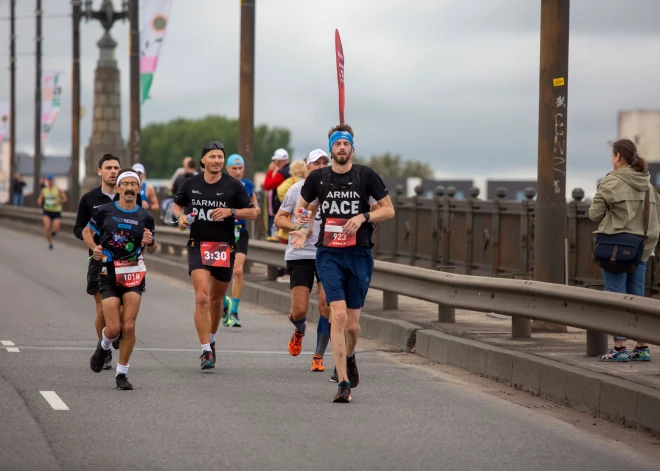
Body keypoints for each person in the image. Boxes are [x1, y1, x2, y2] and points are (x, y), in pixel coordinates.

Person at [294, 124, 395, 403]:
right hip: (329, 253)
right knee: (336, 315)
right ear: (330, 148)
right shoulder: (318, 178)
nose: (341, 148)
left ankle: (350, 356)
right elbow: (304, 208)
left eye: (345, 144)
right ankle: (342, 382)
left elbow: (388, 209)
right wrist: (302, 224)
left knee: (352, 325)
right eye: (337, 143)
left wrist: (363, 217)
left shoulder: (366, 175)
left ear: (352, 148)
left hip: (358, 254)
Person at [171, 141, 257, 370]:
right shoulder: (191, 183)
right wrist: (180, 218)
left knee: (216, 301)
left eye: (220, 157)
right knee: (201, 297)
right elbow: (177, 206)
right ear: (203, 161)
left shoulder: (234, 185)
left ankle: (212, 338)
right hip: (198, 244)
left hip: (223, 247)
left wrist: (232, 211)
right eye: (212, 157)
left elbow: (253, 212)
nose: (217, 161)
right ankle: (205, 350)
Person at [84, 168, 158, 390]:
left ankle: (122, 373)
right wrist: (94, 248)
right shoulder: (105, 211)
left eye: (132, 184)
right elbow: (88, 232)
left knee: (129, 325)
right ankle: (104, 345)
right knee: (114, 328)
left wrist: (151, 241)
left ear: (138, 188)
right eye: (124, 184)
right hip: (108, 274)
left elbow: (153, 248)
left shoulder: (145, 216)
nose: (128, 188)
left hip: (134, 273)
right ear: (117, 188)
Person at [589, 139, 660, 362]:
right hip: (642, 248)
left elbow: (594, 214)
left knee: (616, 295)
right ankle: (641, 346)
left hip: (616, 248)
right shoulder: (648, 185)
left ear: (618, 157)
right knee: (637, 295)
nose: (612, 159)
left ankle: (619, 347)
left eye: (613, 155)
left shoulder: (612, 181)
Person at [74, 154, 144, 370]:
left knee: (123, 313)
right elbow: (79, 228)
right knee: (102, 309)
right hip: (100, 260)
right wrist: (96, 245)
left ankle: (112, 338)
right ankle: (104, 351)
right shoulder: (90, 199)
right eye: (108, 168)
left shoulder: (131, 196)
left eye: (116, 168)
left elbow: (140, 225)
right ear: (100, 172)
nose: (113, 171)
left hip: (128, 263)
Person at [275, 149, 331, 372]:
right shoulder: (296, 189)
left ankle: (318, 355)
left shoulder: (336, 191)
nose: (321, 167)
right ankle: (299, 330)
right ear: (308, 168)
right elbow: (280, 219)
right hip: (300, 254)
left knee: (326, 306)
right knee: (299, 310)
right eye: (316, 163)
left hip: (328, 253)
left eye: (325, 163)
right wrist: (298, 227)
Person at [224, 154, 261, 327]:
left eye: (241, 168)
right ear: (227, 169)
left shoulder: (248, 185)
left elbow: (254, 201)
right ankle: (224, 303)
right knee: (218, 276)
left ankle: (234, 312)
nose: (238, 172)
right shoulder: (220, 184)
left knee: (237, 271)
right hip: (221, 234)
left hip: (241, 232)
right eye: (234, 169)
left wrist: (256, 207)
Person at [276, 160, 308, 245]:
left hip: (290, 224)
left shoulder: (291, 181)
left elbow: (280, 190)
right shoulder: (309, 182)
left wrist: (287, 201)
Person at [263, 148, 290, 238]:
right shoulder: (289, 171)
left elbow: (267, 185)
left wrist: (270, 170)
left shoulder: (282, 173)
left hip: (278, 210)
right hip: (285, 209)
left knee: (274, 236)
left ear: (277, 161)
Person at [37, 174, 67, 250]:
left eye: (51, 180)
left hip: (56, 211)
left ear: (53, 180)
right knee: (47, 227)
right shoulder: (44, 190)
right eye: (48, 180)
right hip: (47, 210)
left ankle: (52, 234)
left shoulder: (58, 189)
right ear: (47, 181)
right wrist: (39, 200)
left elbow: (65, 199)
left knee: (56, 228)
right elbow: (40, 198)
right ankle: (50, 243)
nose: (50, 181)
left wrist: (59, 201)